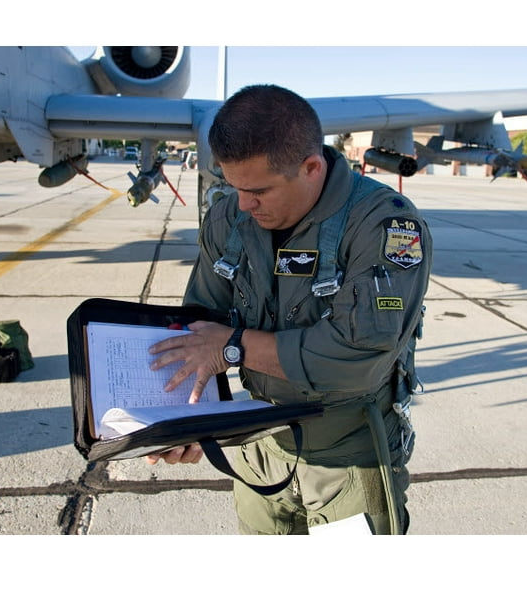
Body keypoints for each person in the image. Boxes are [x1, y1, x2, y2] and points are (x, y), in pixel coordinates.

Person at [145, 84, 433, 535]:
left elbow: (356, 357)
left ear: (312, 167)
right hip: (258, 450)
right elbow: (201, 327)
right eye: (233, 186)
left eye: (258, 190)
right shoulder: (228, 219)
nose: (243, 204)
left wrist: (235, 348)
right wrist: (185, 419)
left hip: (347, 458)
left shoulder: (384, 224)